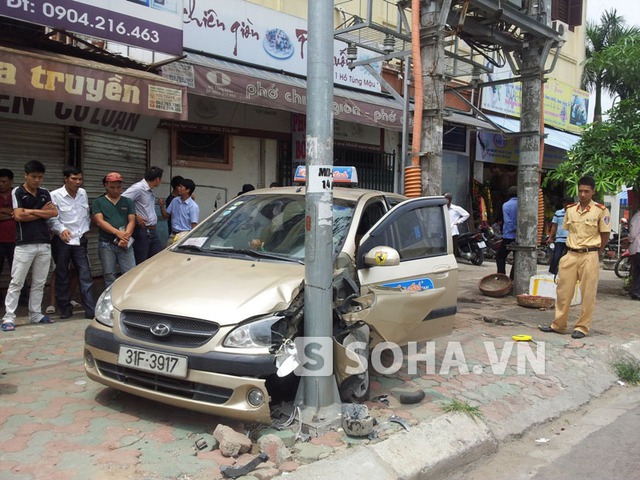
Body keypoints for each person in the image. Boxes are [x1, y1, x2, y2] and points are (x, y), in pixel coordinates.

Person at [539, 176, 611, 339]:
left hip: (589, 255)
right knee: (563, 292)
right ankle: (559, 324)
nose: (583, 194)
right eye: (580, 191)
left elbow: (605, 234)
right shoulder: (570, 210)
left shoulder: (600, 211)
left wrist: (597, 253)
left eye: (586, 191)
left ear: (593, 191)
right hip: (570, 254)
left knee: (588, 294)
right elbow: (565, 231)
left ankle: (582, 327)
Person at [2, 160, 58, 331]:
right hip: (24, 243)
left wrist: (31, 211)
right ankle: (8, 317)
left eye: (40, 177)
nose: (37, 180)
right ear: (26, 175)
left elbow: (54, 212)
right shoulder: (17, 192)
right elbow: (18, 216)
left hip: (43, 242)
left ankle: (36, 314)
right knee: (17, 282)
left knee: (40, 282)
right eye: (34, 177)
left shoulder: (44, 192)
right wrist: (41, 212)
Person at [48, 166, 95, 319]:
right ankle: (65, 309)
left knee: (85, 275)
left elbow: (85, 214)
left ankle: (90, 310)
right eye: (74, 179)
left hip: (80, 240)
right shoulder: (55, 195)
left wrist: (84, 229)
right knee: (62, 274)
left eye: (80, 179)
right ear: (66, 179)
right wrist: (61, 230)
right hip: (62, 241)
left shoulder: (83, 193)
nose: (77, 182)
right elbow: (52, 218)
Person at [92, 172, 136, 289]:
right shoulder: (98, 202)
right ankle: (111, 299)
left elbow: (132, 220)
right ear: (106, 186)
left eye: (118, 187)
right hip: (106, 243)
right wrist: (118, 233)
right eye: (112, 187)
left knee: (130, 273)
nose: (116, 190)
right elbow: (99, 221)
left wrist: (125, 237)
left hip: (125, 243)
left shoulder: (128, 202)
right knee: (108, 274)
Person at [122, 166, 164, 264]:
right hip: (142, 231)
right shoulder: (138, 188)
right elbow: (122, 201)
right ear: (157, 179)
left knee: (156, 260)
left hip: (152, 230)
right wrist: (135, 215)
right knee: (141, 261)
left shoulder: (149, 190)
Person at [547, 197, 573, 276]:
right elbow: (554, 226)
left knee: (570, 258)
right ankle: (551, 273)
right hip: (560, 239)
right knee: (556, 256)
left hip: (571, 239)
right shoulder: (558, 213)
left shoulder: (575, 213)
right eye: (565, 204)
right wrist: (550, 237)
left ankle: (568, 274)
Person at [496, 185, 517, 280]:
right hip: (521, 237)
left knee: (500, 256)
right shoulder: (523, 205)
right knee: (518, 258)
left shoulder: (506, 205)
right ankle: (513, 277)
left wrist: (513, 229)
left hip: (509, 236)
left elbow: (508, 221)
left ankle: (502, 276)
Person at [0, 169, 15, 292]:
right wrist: (13, 213)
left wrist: (2, 210)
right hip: (0, 240)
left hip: (16, 239)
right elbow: (17, 213)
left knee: (17, 271)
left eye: (4, 181)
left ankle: (23, 298)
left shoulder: (17, 194)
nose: (1, 184)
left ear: (10, 181)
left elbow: (22, 213)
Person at [444, 192, 470, 257]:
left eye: (447, 199)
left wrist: (459, 221)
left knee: (453, 247)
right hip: (446, 231)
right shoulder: (443, 209)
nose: (446, 201)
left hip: (453, 231)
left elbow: (466, 215)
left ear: (450, 200)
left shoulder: (456, 208)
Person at [629, 208, 640, 301]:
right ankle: (636, 292)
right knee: (637, 271)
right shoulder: (638, 217)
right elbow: (633, 234)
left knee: (636, 272)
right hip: (638, 248)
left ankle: (635, 291)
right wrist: (631, 240)